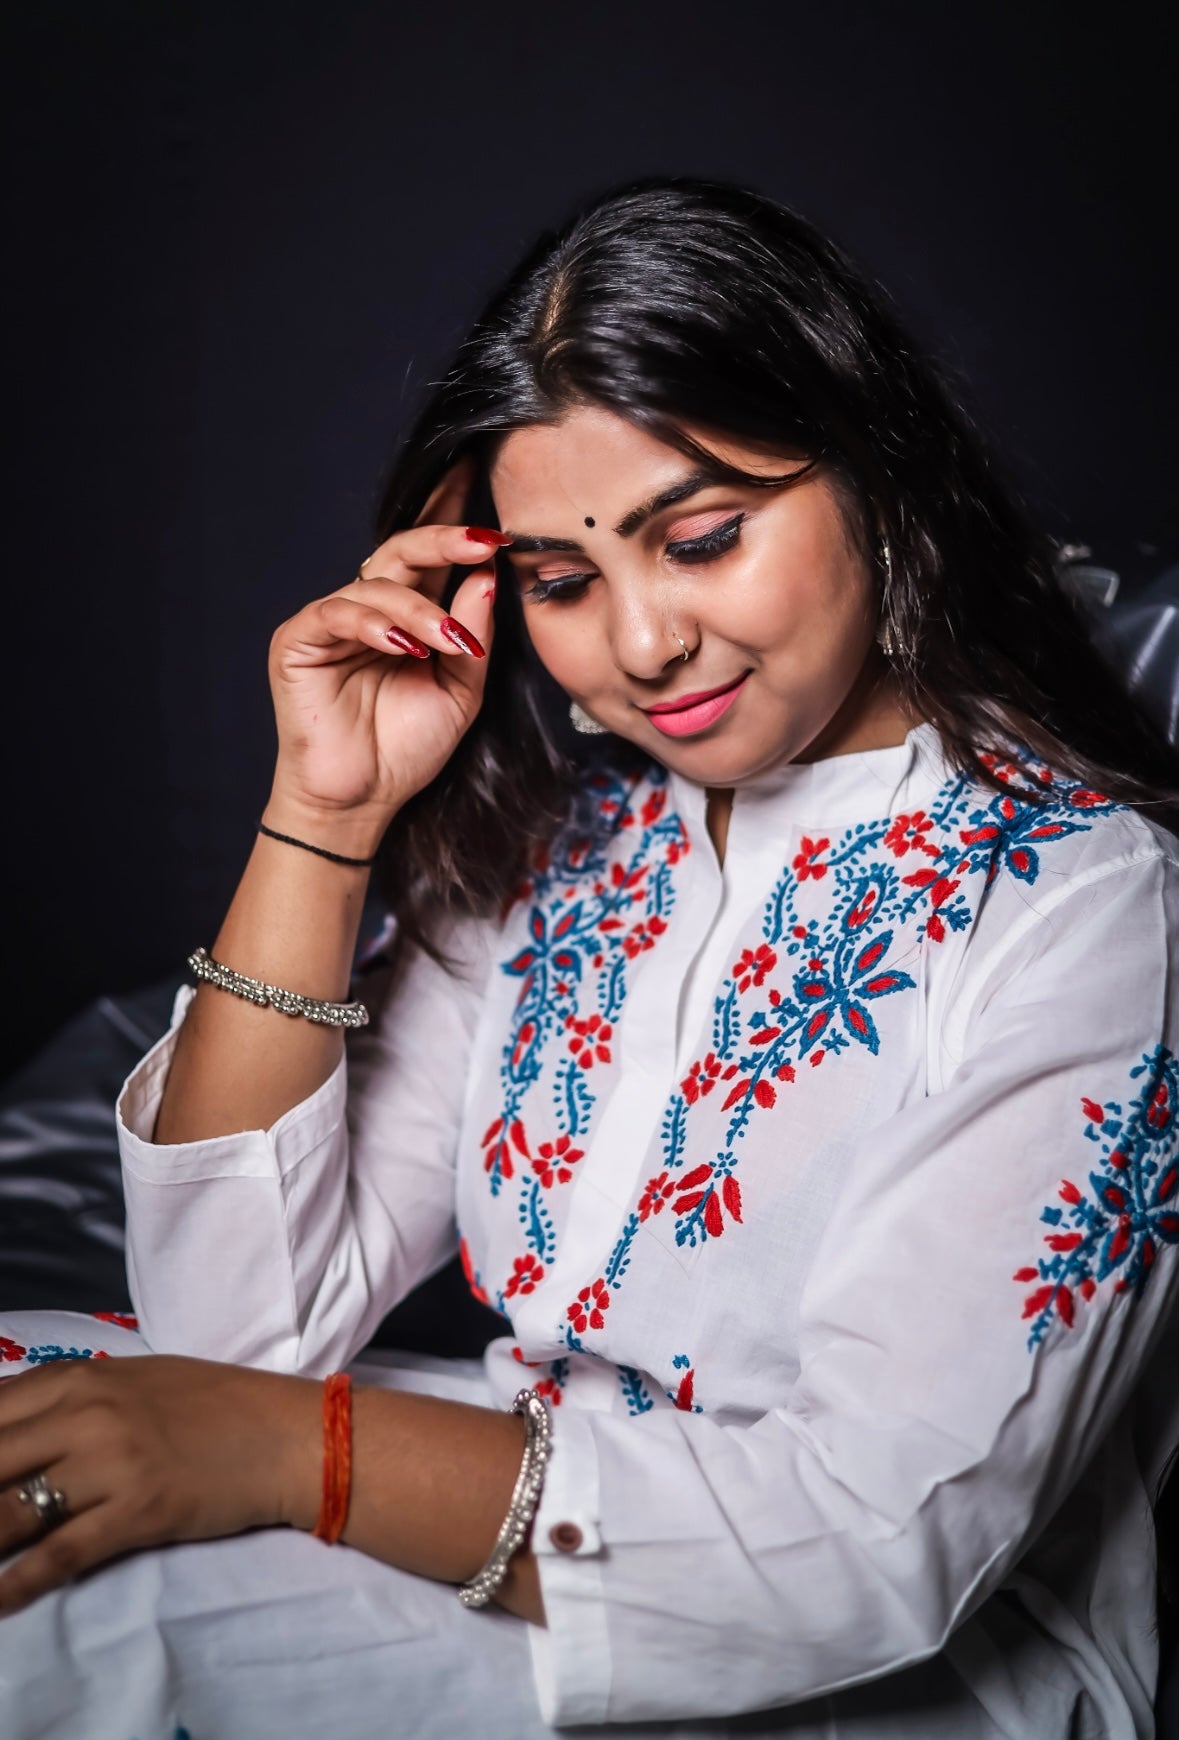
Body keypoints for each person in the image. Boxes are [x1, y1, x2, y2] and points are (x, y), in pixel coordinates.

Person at [1, 177, 1177, 1740]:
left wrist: (299, 1459)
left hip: (901, 1661)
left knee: (74, 1612)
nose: (639, 644)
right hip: (534, 1499)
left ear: (884, 483)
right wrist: (324, 810)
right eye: (562, 579)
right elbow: (234, 1336)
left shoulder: (1089, 907)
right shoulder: (565, 853)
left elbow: (882, 1545)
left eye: (700, 537)